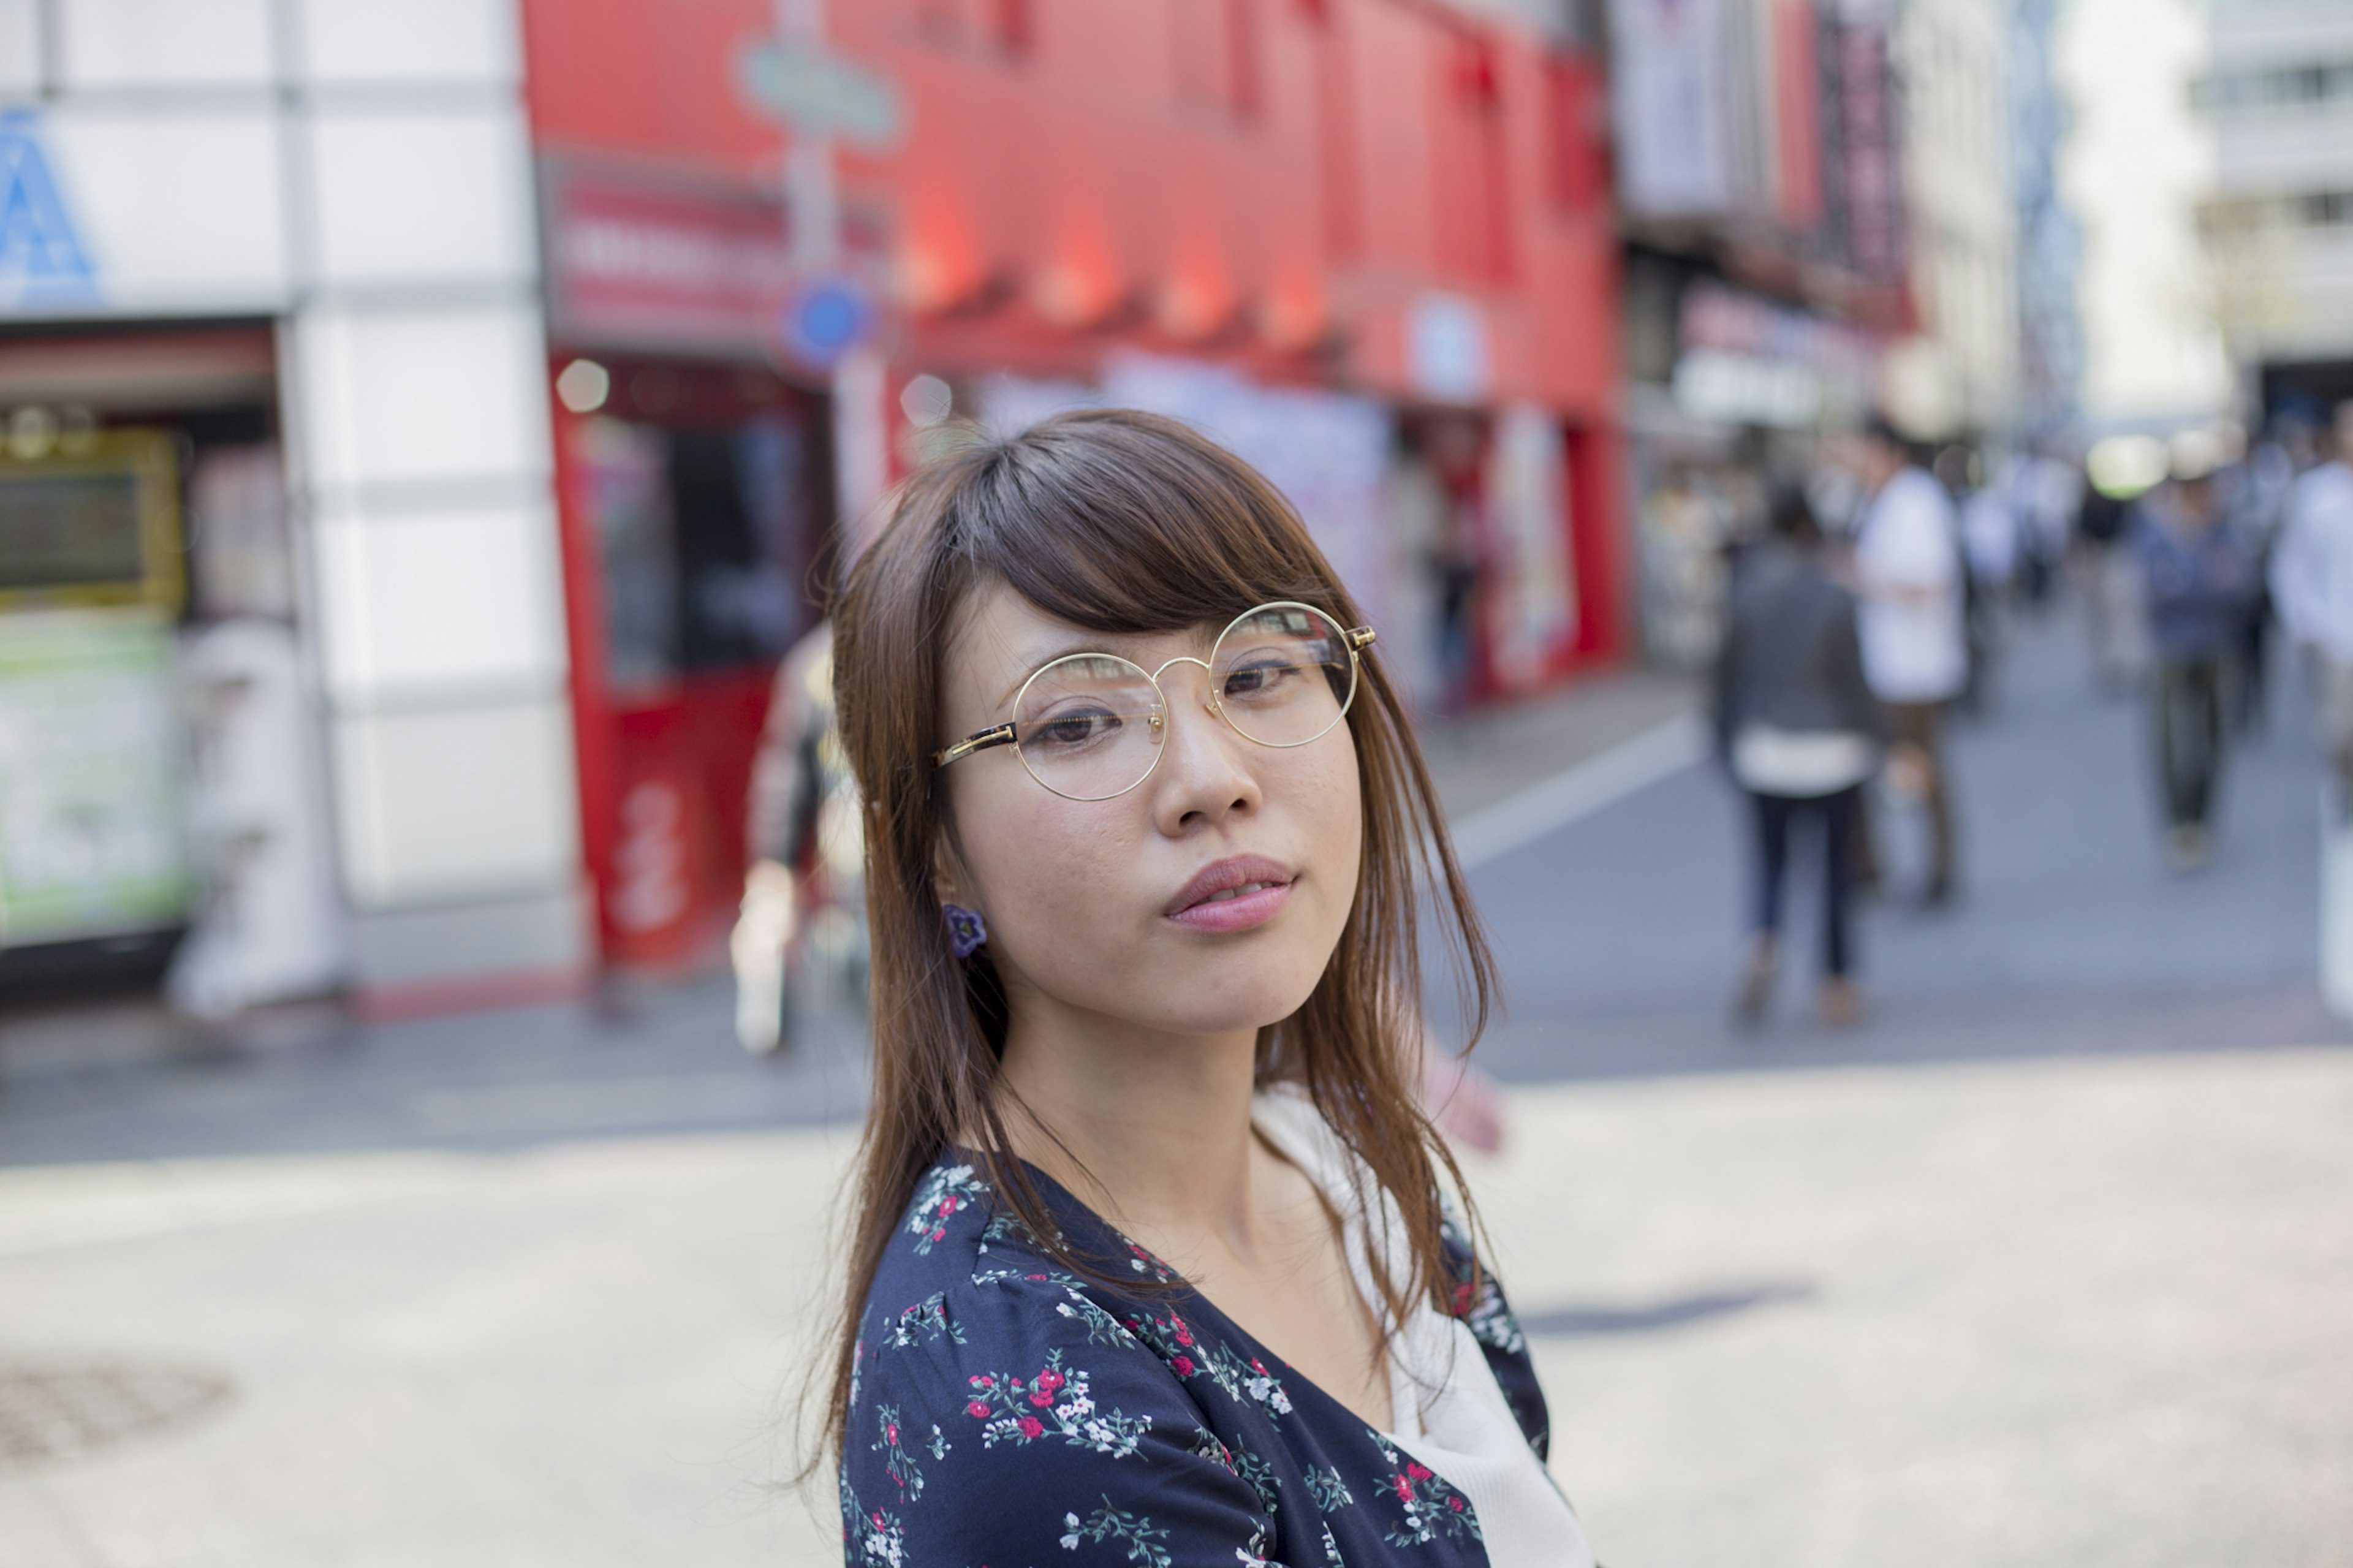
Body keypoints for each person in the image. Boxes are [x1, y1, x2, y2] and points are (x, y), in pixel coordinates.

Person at [819, 410, 1588, 1567]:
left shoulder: (1348, 1165)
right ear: (933, 845)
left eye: (1259, 670)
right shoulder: (1020, 1389)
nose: (1210, 777)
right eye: (1076, 722)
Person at [1715, 486, 1885, 1027]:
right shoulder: (1834, 595)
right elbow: (1854, 681)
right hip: (1833, 753)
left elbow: (1727, 677)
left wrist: (1724, 740)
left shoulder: (1746, 590)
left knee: (1770, 861)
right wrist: (1883, 740)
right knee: (1836, 871)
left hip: (1765, 750)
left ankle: (1764, 942)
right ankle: (1836, 983)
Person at [1842, 417, 1968, 906]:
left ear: (1886, 450)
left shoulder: (1915, 501)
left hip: (1915, 666)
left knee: (1921, 769)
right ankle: (1876, 868)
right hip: (1890, 662)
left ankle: (1939, 869)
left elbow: (1929, 582)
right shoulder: (1884, 501)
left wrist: (1863, 577)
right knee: (1894, 768)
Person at [2132, 463, 2256, 869]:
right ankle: (2179, 821)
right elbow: (2157, 588)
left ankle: (2203, 817)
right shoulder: (2157, 531)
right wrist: (2202, 583)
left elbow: (2240, 586)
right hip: (2171, 646)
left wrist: (2195, 585)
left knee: (2216, 732)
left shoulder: (2225, 529)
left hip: (2217, 643)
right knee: (2169, 736)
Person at [2271, 400, 2353, 814]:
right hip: (2337, 634)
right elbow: (2290, 564)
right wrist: (2305, 623)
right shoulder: (2316, 494)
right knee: (2340, 730)